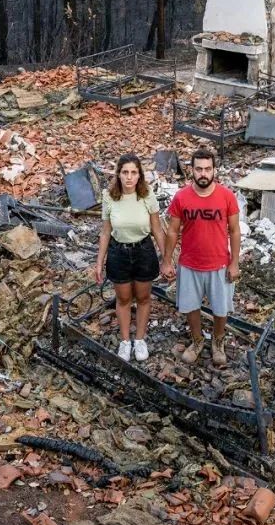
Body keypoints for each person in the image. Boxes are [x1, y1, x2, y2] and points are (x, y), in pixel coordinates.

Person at [161, 146, 241, 368]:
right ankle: (197, 341)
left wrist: (235, 262)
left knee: (221, 307)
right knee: (191, 306)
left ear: (214, 170)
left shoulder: (226, 196)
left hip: (219, 263)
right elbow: (172, 231)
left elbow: (234, 230)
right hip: (189, 263)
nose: (203, 173)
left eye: (207, 169)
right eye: (199, 169)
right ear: (192, 171)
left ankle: (217, 341)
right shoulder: (181, 197)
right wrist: (167, 261)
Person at [95, 153, 165, 362]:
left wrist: (168, 259)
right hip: (119, 252)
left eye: (134, 173)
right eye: (125, 172)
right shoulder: (109, 197)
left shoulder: (146, 195)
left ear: (139, 175)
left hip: (143, 251)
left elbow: (157, 228)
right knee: (124, 298)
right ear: (118, 175)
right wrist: (99, 262)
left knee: (143, 298)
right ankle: (125, 341)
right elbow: (106, 232)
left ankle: (140, 339)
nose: (129, 177)